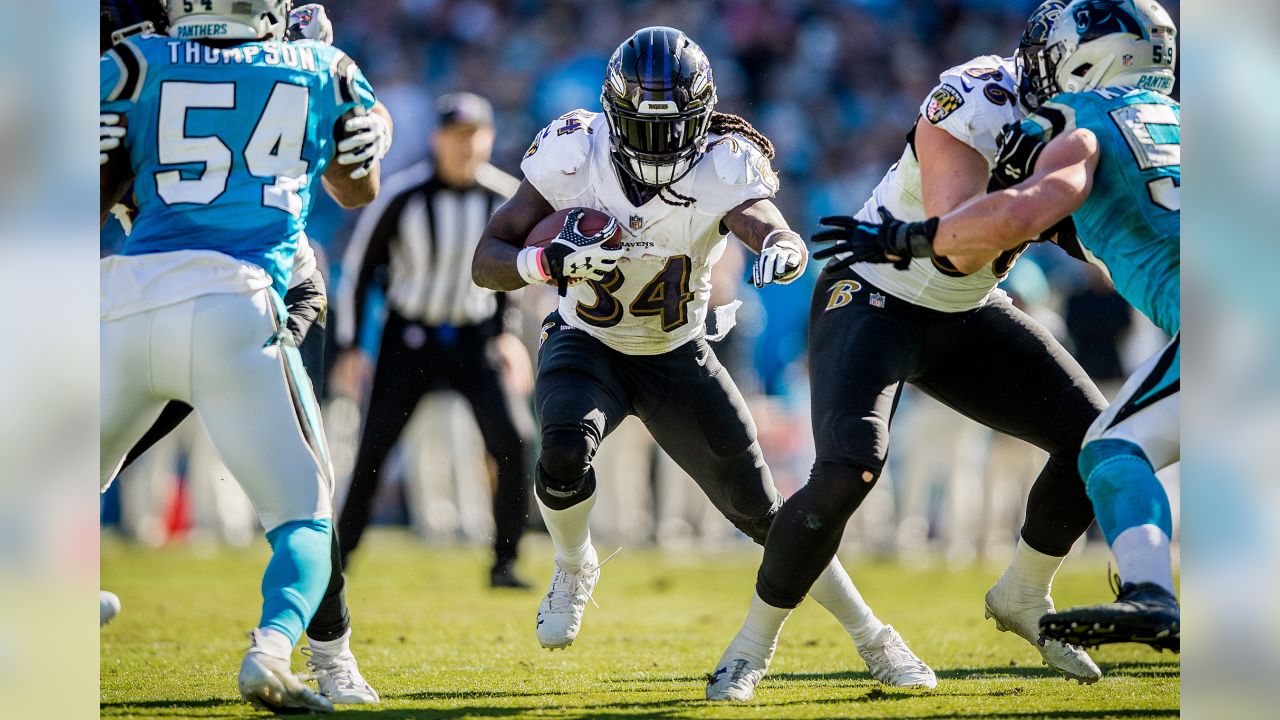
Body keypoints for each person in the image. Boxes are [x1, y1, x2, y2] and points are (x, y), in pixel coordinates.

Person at [471, 26, 934, 695]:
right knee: (564, 449)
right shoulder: (573, 150)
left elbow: (760, 217)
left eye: (673, 129)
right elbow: (488, 259)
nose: (659, 147)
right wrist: (544, 260)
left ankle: (875, 638)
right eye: (643, 128)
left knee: (770, 517)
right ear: (611, 115)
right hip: (588, 341)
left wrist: (783, 244)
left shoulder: (724, 160)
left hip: (676, 354)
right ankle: (574, 565)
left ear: (701, 117)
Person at [707, 1, 1110, 699]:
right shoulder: (981, 95)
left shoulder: (1102, 126)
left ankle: (1022, 593)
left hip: (967, 310)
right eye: (1108, 74)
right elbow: (954, 241)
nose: (1118, 94)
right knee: (848, 467)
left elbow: (1114, 257)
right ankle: (750, 646)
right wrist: (1049, 212)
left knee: (1096, 440)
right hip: (876, 292)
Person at [824, 0, 1180, 651]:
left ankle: (1151, 594)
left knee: (1109, 447)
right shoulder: (1182, 121)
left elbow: (1023, 210)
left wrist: (908, 237)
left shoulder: (1085, 125)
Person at [99, 0, 392, 711]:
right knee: (305, 509)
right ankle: (274, 649)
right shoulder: (319, 63)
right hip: (240, 299)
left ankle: (333, 655)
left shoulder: (131, 65)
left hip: (129, 297)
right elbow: (358, 187)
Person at [332, 92, 535, 588]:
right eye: (455, 137)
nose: (465, 147)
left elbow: (512, 274)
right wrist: (355, 347)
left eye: (474, 136)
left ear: (488, 139)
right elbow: (361, 273)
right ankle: (339, 560)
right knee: (373, 450)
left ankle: (505, 561)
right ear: (436, 139)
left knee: (515, 440)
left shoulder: (504, 199)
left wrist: (508, 337)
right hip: (410, 340)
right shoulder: (402, 196)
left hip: (474, 339)